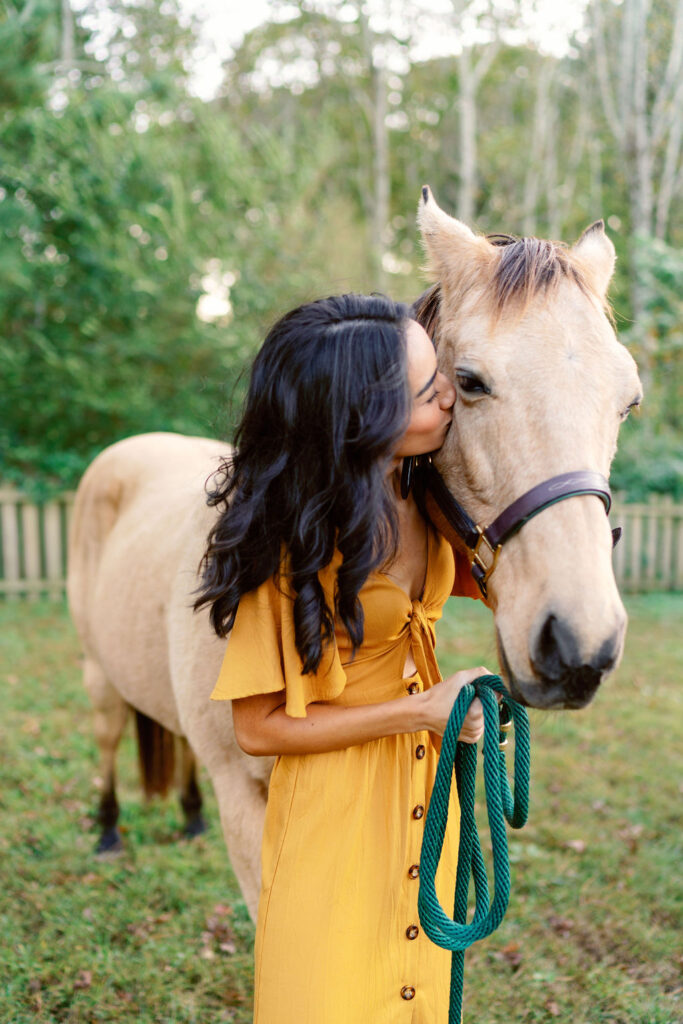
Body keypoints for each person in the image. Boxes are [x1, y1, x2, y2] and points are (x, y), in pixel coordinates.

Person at [195, 293, 488, 1023]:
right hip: (337, 808)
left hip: (425, 788)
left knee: (415, 989)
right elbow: (257, 730)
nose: (449, 395)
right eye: (427, 391)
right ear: (362, 418)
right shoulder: (287, 543)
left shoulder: (424, 495)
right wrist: (421, 709)